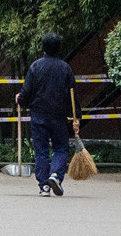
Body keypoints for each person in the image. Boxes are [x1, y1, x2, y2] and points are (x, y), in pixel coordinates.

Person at [18, 31, 79, 197]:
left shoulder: (35, 66)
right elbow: (72, 94)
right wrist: (76, 117)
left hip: (38, 115)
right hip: (59, 116)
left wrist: (20, 99)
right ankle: (55, 175)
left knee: (41, 150)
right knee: (60, 148)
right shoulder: (65, 68)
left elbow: (27, 90)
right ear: (59, 48)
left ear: (43, 48)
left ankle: (44, 186)